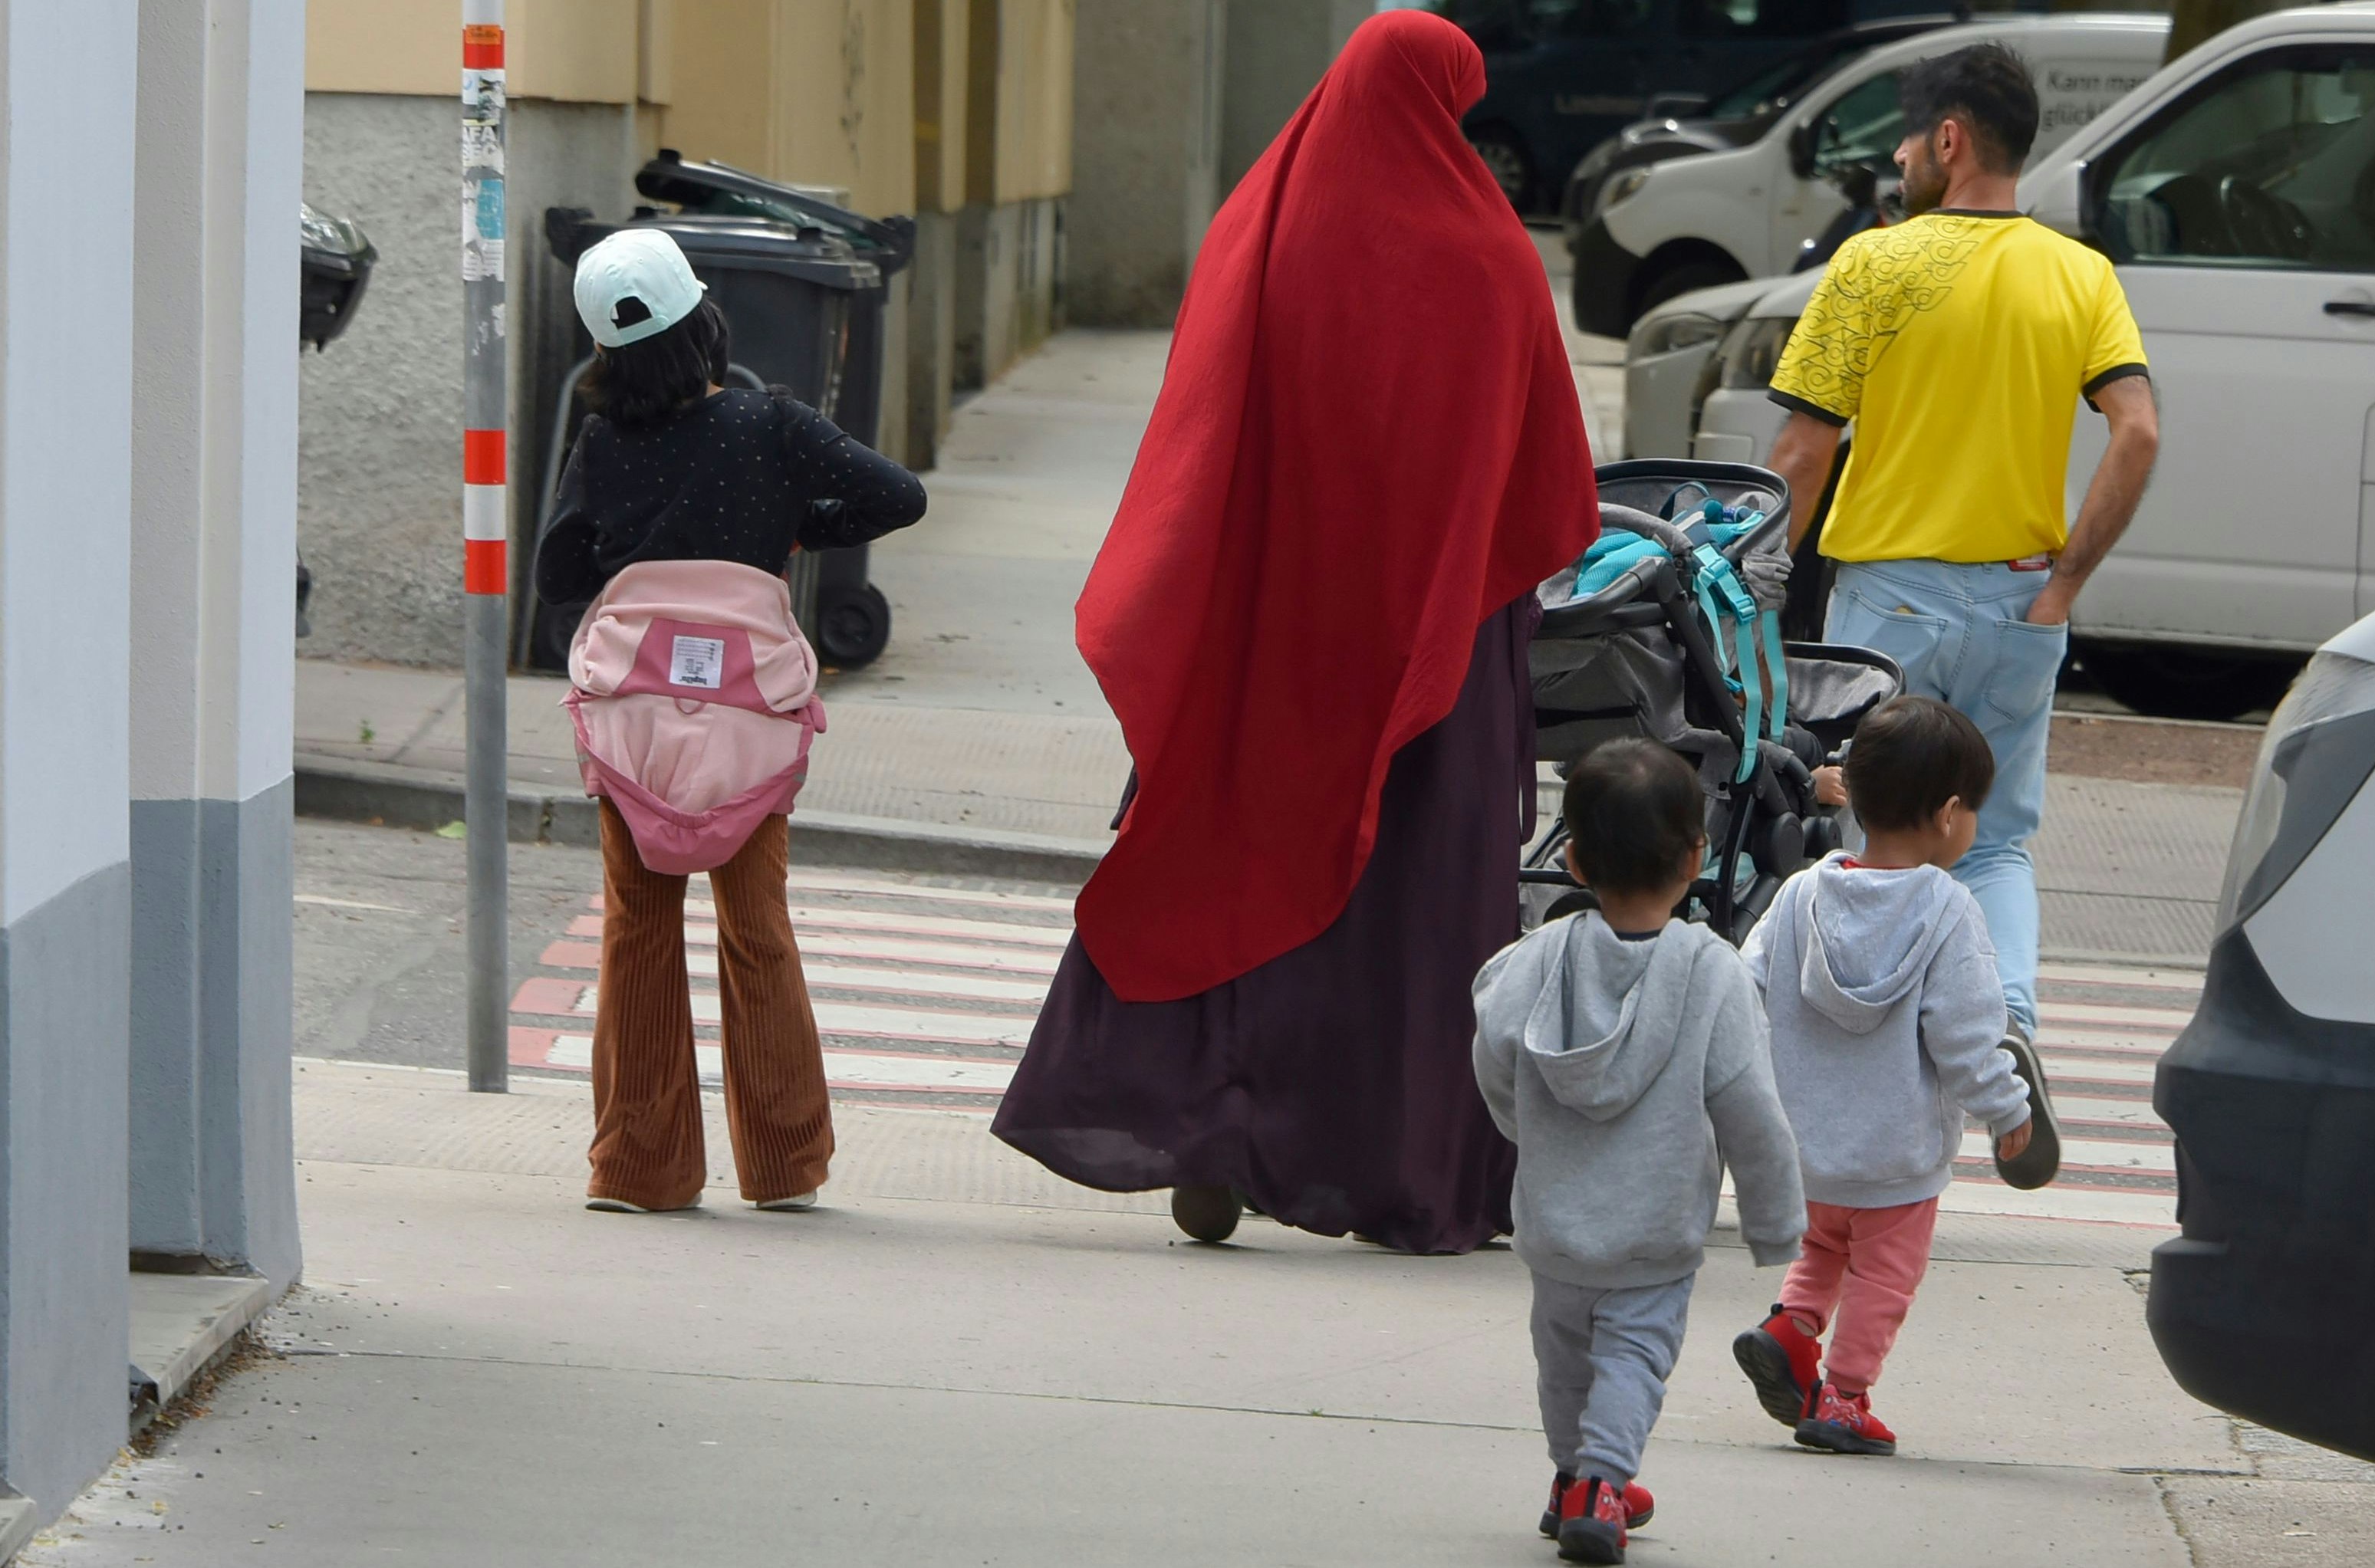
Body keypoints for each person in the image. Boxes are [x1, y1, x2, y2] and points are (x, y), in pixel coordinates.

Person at [989, 10, 1599, 1254]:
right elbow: (1542, 479)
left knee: (1226, 846)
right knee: (1411, 896)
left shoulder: (1259, 226)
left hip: (1266, 619)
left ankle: (1203, 1128)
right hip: (1428, 637)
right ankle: (1388, 1165)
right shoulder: (1490, 255)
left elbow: (1199, 430)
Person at [1763, 43, 2161, 1050]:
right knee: (1996, 844)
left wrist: (1754, 588)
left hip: (1889, 611)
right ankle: (2008, 1020)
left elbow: (1803, 453)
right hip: (2024, 606)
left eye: (1907, 140)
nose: (1899, 159)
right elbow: (2139, 430)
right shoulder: (2082, 275)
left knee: (1871, 825)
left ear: (1949, 140)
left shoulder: (1871, 265)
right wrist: (2065, 585)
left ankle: (1869, 1041)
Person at [536, 228, 927, 1215]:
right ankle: (784, 1163)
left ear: (604, 351)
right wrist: (793, 525)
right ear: (704, 322)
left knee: (636, 928)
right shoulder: (770, 424)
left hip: (635, 726)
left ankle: (638, 1167)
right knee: (758, 929)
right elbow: (899, 495)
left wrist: (636, 551)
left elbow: (559, 571)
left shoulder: (602, 442)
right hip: (749, 720)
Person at [1472, 738, 1806, 1565]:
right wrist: (1775, 1222)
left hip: (1554, 1225)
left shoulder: (1536, 959)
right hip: (1654, 1230)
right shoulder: (1713, 974)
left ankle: (1572, 1475)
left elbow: (1493, 1049)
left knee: (1564, 1361)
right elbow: (1752, 1110)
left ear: (1574, 859)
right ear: (1696, 857)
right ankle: (1602, 1482)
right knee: (1633, 1357)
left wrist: (1524, 1128)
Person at [1729, 697, 2034, 1456]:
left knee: (1824, 1246)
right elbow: (1967, 1035)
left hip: (1808, 1146)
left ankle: (1791, 1328)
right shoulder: (1948, 911)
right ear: (1950, 814)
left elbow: (1744, 990)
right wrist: (2006, 1106)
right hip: (1897, 1156)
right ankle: (1844, 1394)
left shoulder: (1801, 892)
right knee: (1883, 1277)